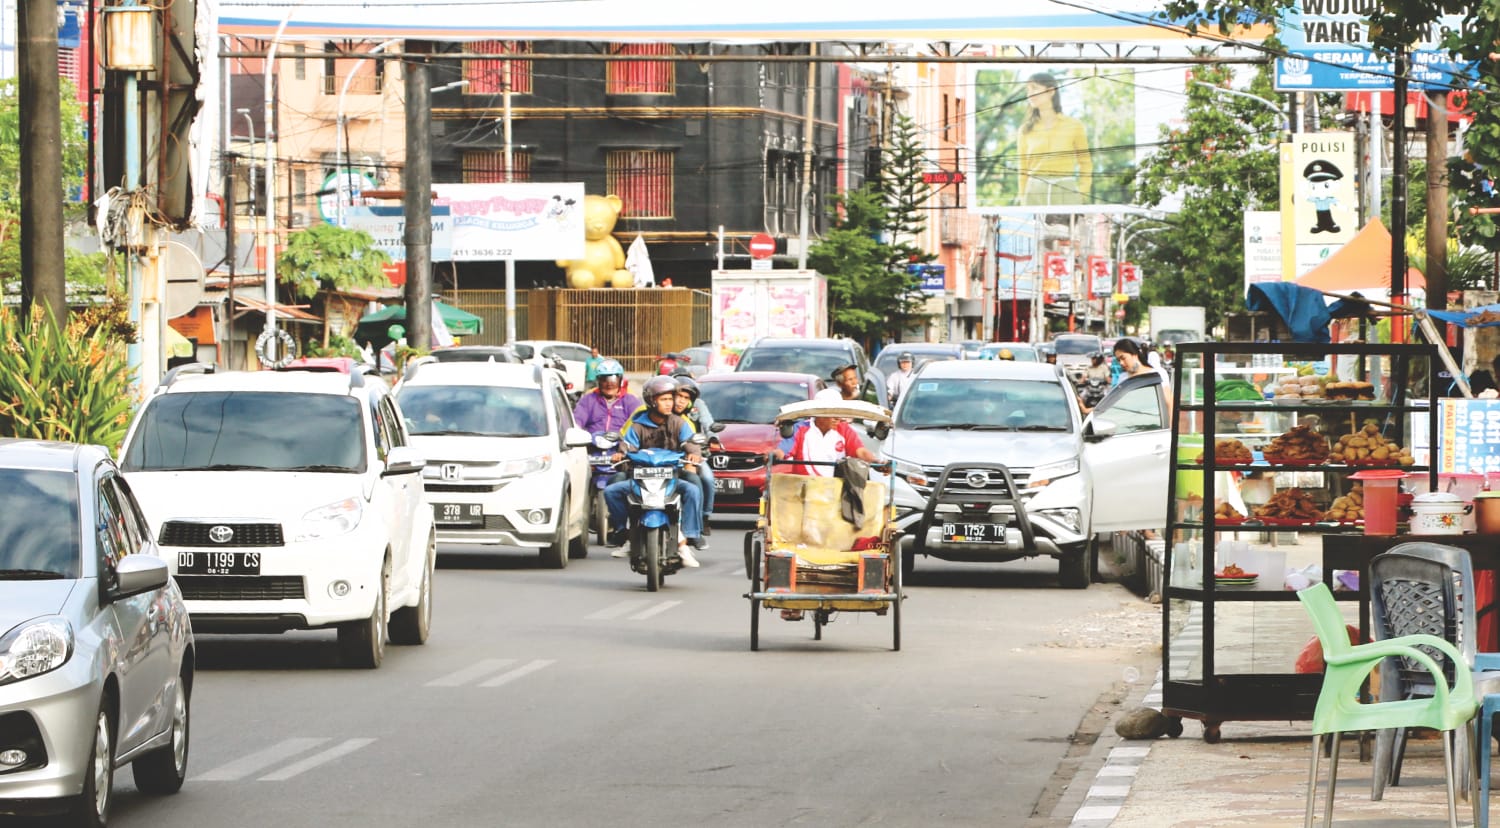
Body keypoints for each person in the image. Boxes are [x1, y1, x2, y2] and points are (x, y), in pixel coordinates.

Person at [604, 375, 705, 565]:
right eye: (664, 399)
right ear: (652, 401)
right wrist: (620, 454)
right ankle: (623, 533)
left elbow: (690, 442)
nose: (670, 404)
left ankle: (689, 537)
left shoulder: (679, 423)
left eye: (670, 399)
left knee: (693, 490)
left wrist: (693, 454)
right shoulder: (638, 425)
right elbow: (627, 445)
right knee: (611, 491)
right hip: (641, 479)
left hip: (671, 478)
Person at [1017, 72, 1093, 207]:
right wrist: (1023, 199)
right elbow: (1022, 169)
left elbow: (1085, 163)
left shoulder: (1074, 126)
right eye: (1027, 90)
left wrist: (1082, 193)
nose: (1029, 94)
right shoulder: (1025, 130)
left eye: (1034, 88)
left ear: (1051, 91)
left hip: (1067, 192)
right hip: (1034, 194)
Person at [672, 374, 717, 535]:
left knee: (706, 478)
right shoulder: (657, 413)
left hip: (692, 455)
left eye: (686, 397)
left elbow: (707, 423)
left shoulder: (690, 416)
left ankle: (703, 517)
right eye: (678, 395)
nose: (681, 401)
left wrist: (712, 437)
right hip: (665, 458)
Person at [772, 412, 880, 476]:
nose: (837, 418)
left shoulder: (844, 429)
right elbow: (783, 450)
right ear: (819, 414)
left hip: (835, 492)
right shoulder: (800, 428)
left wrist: (875, 462)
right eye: (832, 414)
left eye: (838, 413)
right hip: (803, 492)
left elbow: (860, 451)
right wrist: (773, 456)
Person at [572, 359, 641, 437]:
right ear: (598, 381)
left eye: (613, 379)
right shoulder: (588, 399)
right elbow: (577, 422)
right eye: (604, 380)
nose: (609, 384)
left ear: (620, 380)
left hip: (623, 445)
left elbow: (639, 426)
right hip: (592, 445)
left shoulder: (631, 400)